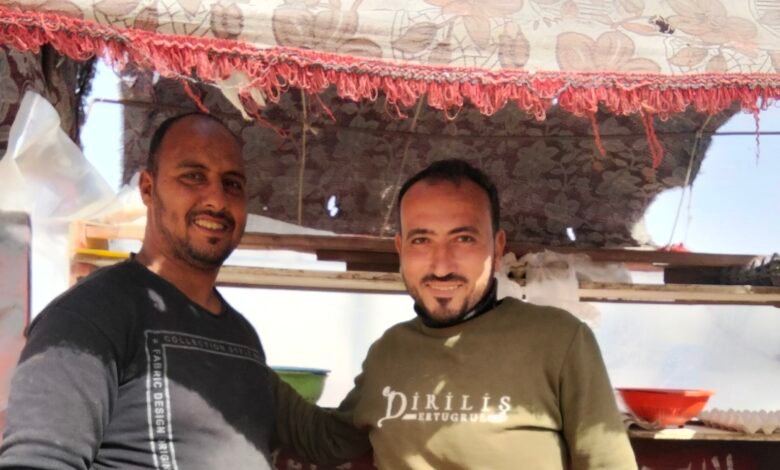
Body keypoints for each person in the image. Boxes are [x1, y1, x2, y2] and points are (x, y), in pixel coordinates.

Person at [0, 113, 369, 469]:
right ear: (148, 188)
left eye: (232, 184)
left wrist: (394, 362)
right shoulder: (89, 316)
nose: (217, 200)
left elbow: (321, 437)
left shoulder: (240, 336)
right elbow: (38, 460)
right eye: (193, 177)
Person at [338, 159, 637, 469]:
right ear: (400, 249)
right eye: (421, 240)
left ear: (496, 249)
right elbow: (330, 438)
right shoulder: (388, 351)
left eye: (463, 239)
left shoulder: (559, 340)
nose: (441, 267)